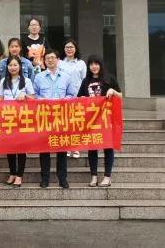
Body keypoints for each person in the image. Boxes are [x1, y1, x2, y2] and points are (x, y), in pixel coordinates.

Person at [33, 49, 78, 189]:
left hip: (61, 117)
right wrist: (42, 100)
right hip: (45, 117)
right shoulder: (39, 77)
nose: (50, 60)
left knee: (62, 149)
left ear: (58, 60)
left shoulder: (66, 77)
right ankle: (45, 179)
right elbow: (34, 95)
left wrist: (64, 100)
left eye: (53, 57)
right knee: (44, 149)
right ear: (44, 61)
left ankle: (62, 179)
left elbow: (72, 94)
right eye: (47, 58)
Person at [78, 55, 122, 188]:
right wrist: (83, 98)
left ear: (101, 65)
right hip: (91, 120)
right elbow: (79, 98)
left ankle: (107, 177)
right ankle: (94, 176)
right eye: (91, 64)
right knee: (92, 147)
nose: (94, 66)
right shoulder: (86, 81)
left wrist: (113, 91)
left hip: (106, 120)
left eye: (96, 64)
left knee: (108, 147)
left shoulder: (109, 79)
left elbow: (120, 96)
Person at [0, 56, 35, 188]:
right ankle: (12, 173)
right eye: (10, 65)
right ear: (7, 67)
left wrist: (25, 96)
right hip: (8, 119)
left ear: (20, 66)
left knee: (21, 148)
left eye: (15, 65)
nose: (13, 67)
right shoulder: (3, 81)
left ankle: (19, 175)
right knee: (10, 147)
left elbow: (33, 99)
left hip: (22, 118)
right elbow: (0, 99)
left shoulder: (27, 81)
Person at [59, 38, 87, 159]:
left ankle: (75, 147)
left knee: (76, 123)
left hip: (77, 96)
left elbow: (85, 80)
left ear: (76, 49)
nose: (69, 49)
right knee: (65, 122)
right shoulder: (59, 62)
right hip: (63, 97)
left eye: (71, 47)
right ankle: (66, 145)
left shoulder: (81, 63)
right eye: (67, 47)